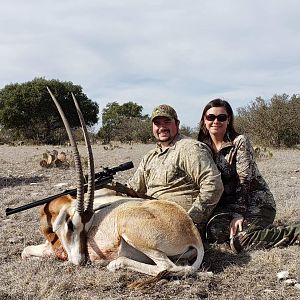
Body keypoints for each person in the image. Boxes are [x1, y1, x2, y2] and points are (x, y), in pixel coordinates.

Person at [197, 98, 299, 252]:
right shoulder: (201, 148)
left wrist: (239, 213)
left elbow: (245, 181)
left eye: (221, 117)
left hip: (256, 202)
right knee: (214, 233)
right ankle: (258, 231)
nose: (216, 121)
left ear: (228, 120)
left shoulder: (240, 142)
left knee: (241, 241)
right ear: (204, 120)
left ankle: (293, 233)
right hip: (228, 207)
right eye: (211, 117)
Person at [127, 104, 224, 231]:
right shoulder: (150, 156)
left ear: (177, 124)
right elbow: (133, 188)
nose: (162, 127)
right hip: (151, 216)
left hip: (178, 226)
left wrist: (191, 221)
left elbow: (213, 185)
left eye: (167, 122)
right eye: (157, 123)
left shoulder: (189, 148)